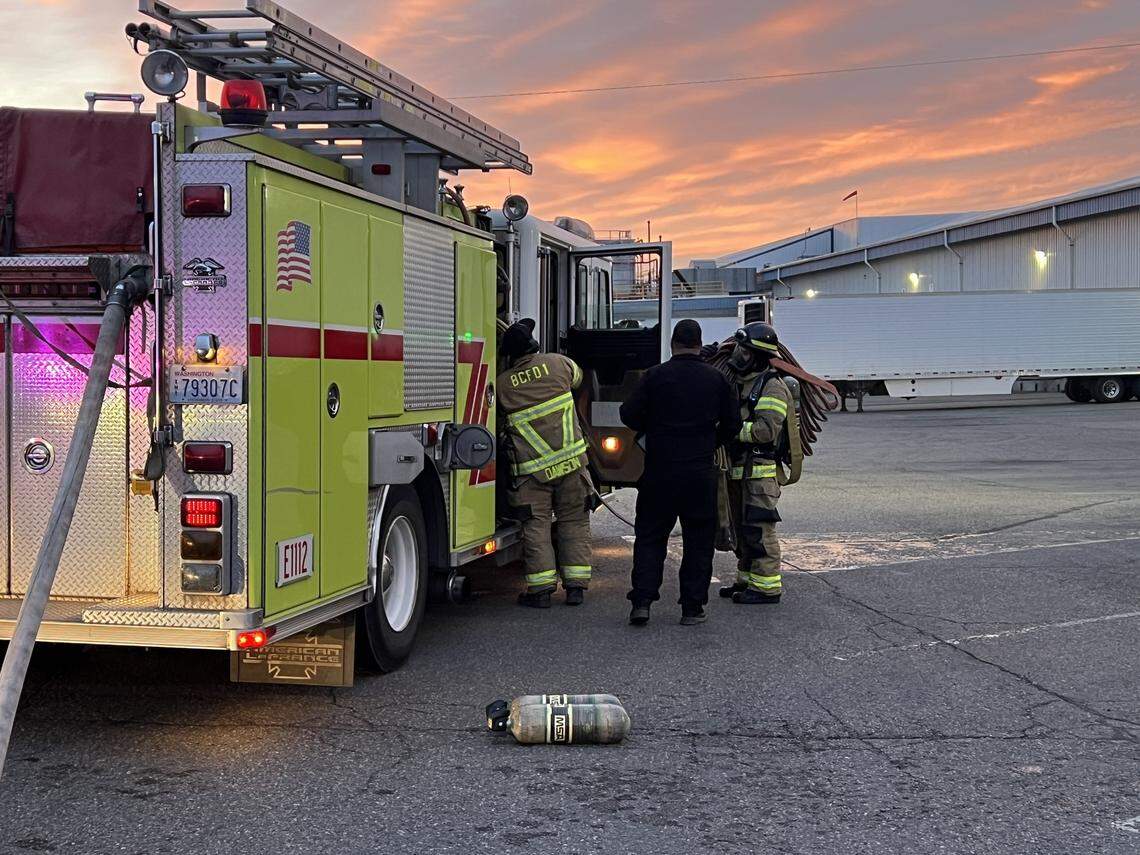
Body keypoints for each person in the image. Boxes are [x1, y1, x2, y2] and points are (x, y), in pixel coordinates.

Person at [619, 319, 741, 626]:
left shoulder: (654, 376)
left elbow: (628, 414)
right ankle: (692, 608)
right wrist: (711, 441)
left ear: (673, 343)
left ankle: (642, 603)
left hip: (659, 472)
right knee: (698, 541)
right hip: (700, 473)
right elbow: (733, 425)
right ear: (700, 345)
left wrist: (653, 428)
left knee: (650, 538)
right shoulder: (717, 379)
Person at [496, 319, 593, 608]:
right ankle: (575, 588)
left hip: (530, 474)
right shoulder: (559, 364)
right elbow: (579, 379)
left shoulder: (502, 386)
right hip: (572, 466)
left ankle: (540, 591)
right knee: (574, 522)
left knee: (535, 527)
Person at [720, 322, 793, 605]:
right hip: (741, 471)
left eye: (745, 351)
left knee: (760, 529)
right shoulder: (744, 382)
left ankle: (767, 588)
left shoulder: (772, 387)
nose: (739, 355)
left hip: (760, 474)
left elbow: (765, 431)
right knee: (742, 528)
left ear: (759, 356)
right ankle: (747, 580)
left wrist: (729, 430)